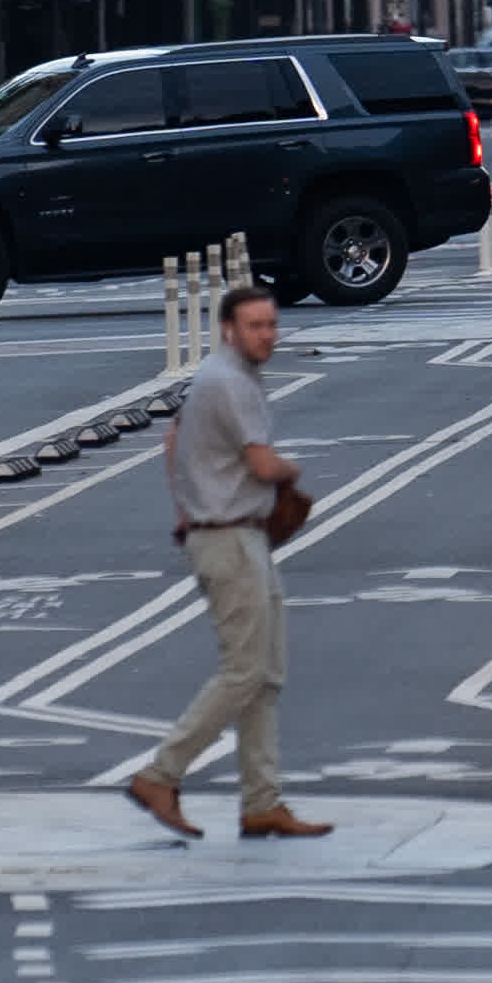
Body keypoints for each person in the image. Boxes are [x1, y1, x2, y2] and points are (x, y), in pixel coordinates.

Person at [127, 284, 327, 840]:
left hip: (234, 534)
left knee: (265, 674)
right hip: (229, 538)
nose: (267, 335)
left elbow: (172, 440)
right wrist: (292, 471)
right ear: (228, 329)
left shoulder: (225, 377)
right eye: (255, 326)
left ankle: (262, 802)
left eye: (271, 324)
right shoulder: (229, 380)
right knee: (245, 670)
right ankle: (160, 775)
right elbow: (263, 466)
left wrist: (185, 508)